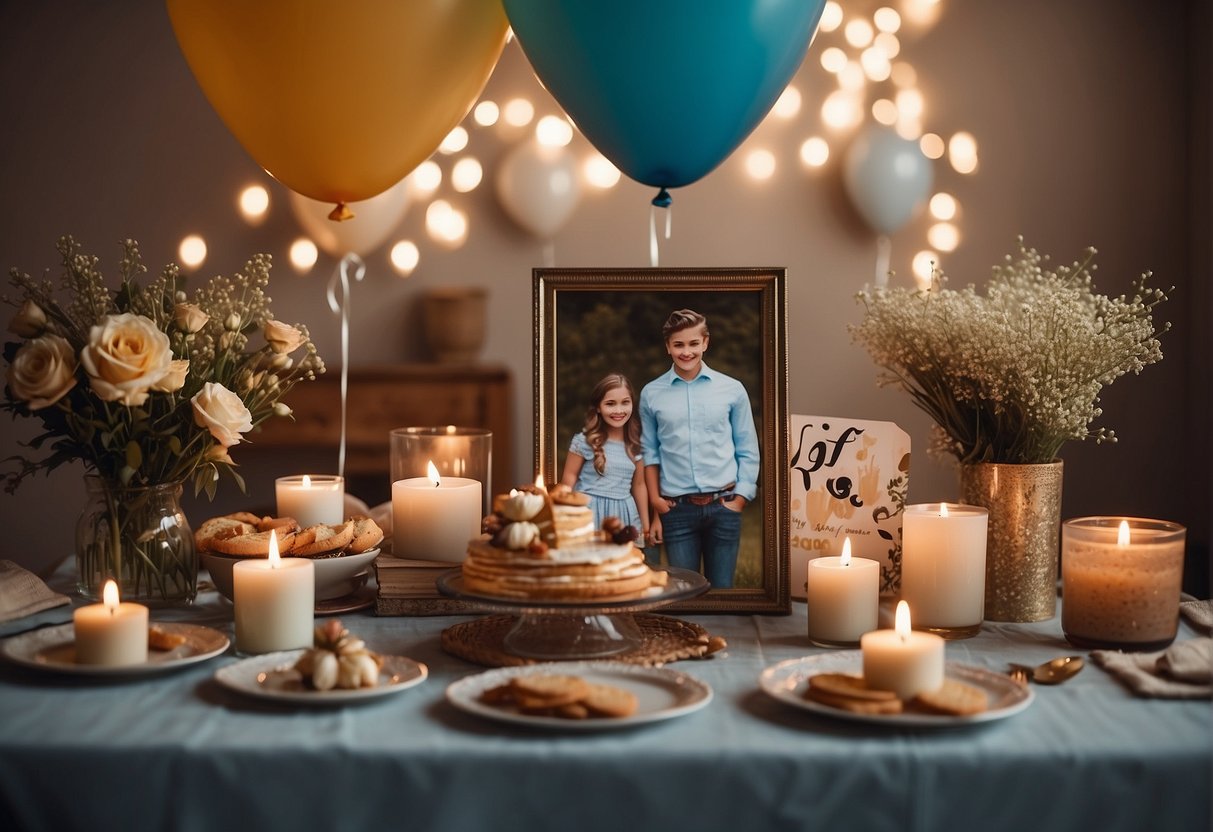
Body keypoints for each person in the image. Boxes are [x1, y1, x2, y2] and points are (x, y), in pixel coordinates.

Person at [639, 309, 759, 588]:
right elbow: (650, 451)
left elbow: (747, 448)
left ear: (705, 343)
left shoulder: (732, 389)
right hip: (677, 510)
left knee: (723, 593)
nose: (686, 351)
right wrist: (656, 499)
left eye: (693, 343)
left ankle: (719, 634)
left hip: (724, 504)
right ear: (668, 346)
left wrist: (740, 497)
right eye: (679, 344)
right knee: (684, 592)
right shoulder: (652, 393)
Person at [561, 372, 649, 543]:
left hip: (623, 514)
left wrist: (645, 524)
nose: (618, 410)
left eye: (625, 402)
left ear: (632, 404)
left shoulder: (635, 445)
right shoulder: (584, 441)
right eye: (610, 404)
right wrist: (563, 512)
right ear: (599, 408)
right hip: (589, 512)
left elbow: (639, 485)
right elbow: (569, 477)